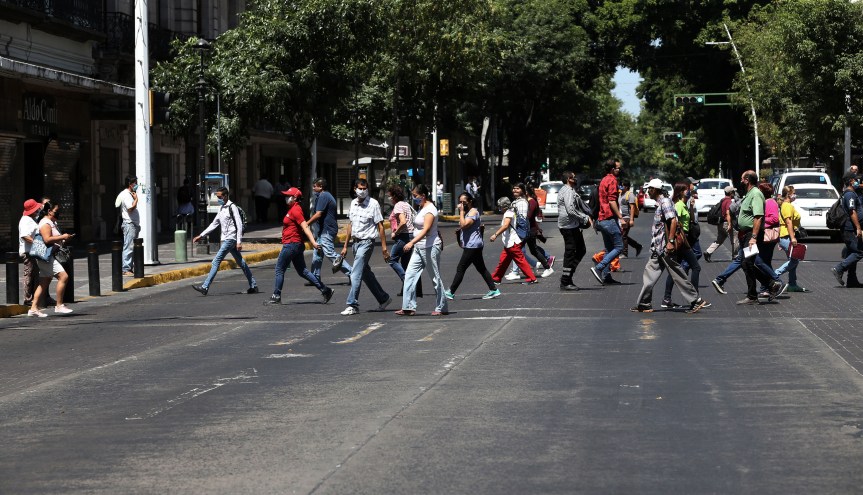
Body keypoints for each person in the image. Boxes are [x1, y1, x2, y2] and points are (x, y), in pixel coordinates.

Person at [630, 179, 708, 314]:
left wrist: (671, 241)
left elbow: (673, 221)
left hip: (665, 247)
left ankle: (696, 300)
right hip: (658, 248)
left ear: (655, 190)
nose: (648, 191)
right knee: (649, 274)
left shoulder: (665, 202)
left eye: (650, 189)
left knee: (677, 273)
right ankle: (644, 303)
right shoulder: (661, 203)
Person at [264, 187, 334, 305]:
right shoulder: (292, 209)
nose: (286, 197)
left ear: (295, 198)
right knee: (302, 271)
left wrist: (313, 242)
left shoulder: (296, 210)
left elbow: (305, 226)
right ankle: (325, 290)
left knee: (279, 269)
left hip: (291, 244)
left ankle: (276, 296)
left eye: (288, 195)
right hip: (295, 244)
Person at [191, 187, 259, 296]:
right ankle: (253, 285)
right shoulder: (222, 208)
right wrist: (201, 235)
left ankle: (205, 286)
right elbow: (214, 224)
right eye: (217, 197)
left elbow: (239, 224)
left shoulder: (233, 207)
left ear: (226, 196)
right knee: (241, 263)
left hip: (230, 239)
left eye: (220, 197)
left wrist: (239, 241)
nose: (218, 199)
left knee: (216, 261)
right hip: (226, 239)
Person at [340, 179, 392, 316]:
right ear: (355, 189)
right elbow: (350, 225)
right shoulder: (353, 203)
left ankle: (352, 304)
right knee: (365, 274)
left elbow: (380, 226)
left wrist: (384, 248)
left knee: (355, 273)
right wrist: (345, 246)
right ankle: (383, 298)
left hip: (367, 243)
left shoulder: (373, 204)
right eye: (360, 188)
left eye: (365, 188)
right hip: (355, 243)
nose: (362, 191)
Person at [396, 184, 448, 316]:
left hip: (430, 247)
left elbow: (426, 230)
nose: (414, 198)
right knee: (409, 275)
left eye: (415, 196)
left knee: (435, 277)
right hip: (419, 248)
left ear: (423, 196)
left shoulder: (430, 210)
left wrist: (411, 242)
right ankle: (408, 306)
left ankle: (442, 307)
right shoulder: (421, 207)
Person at [736, 170, 784, 305]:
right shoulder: (750, 193)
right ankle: (771, 284)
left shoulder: (756, 194)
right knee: (747, 263)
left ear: (747, 180)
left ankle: (753, 294)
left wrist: (753, 237)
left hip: (752, 235)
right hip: (746, 234)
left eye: (741, 179)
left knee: (747, 263)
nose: (740, 181)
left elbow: (758, 217)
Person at [444, 192, 500, 300]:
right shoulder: (467, 212)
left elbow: (464, 225)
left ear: (470, 201)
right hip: (473, 244)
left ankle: (451, 291)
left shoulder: (473, 212)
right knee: (481, 268)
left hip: (472, 246)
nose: (461, 204)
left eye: (463, 202)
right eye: (460, 202)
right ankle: (493, 289)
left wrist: (460, 212)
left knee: (461, 268)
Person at [660, 183, 703, 309]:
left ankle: (667, 298)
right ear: (680, 192)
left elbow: (690, 221)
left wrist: (691, 207)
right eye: (685, 190)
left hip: (685, 238)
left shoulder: (684, 204)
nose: (688, 191)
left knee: (675, 270)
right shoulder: (678, 205)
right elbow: (674, 222)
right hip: (681, 239)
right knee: (696, 267)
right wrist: (673, 240)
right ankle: (695, 299)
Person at [29, 201, 75, 316]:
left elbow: (53, 238)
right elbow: (47, 239)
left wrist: (64, 239)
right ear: (49, 211)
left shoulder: (51, 222)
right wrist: (63, 236)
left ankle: (33, 308)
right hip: (46, 256)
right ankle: (59, 305)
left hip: (47, 256)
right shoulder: (45, 223)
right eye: (56, 211)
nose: (58, 213)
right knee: (63, 276)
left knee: (44, 282)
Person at [505, 183, 554, 279]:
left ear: (524, 191)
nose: (515, 190)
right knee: (532, 250)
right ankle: (545, 267)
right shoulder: (521, 201)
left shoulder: (528, 202)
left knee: (518, 250)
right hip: (526, 230)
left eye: (517, 189)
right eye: (514, 188)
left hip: (527, 231)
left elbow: (527, 217)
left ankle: (518, 272)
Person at [309, 178, 351, 282]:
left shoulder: (324, 196)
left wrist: (306, 223)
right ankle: (315, 278)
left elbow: (318, 214)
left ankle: (351, 273)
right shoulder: (323, 196)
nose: (313, 188)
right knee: (317, 254)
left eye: (315, 186)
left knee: (329, 253)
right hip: (323, 230)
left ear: (321, 187)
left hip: (327, 230)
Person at [489, 196, 537, 285]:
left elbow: (505, 226)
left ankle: (531, 278)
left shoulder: (508, 213)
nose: (499, 209)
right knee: (503, 261)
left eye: (500, 207)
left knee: (520, 260)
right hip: (509, 243)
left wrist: (495, 235)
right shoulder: (510, 212)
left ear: (504, 206)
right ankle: (496, 278)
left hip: (512, 242)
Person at [590, 159, 623, 285]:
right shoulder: (613, 180)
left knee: (609, 249)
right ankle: (599, 268)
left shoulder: (603, 179)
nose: (619, 170)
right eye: (617, 168)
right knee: (619, 246)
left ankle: (606, 276)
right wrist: (620, 216)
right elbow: (611, 201)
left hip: (601, 219)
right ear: (611, 169)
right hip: (609, 219)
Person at [557, 171, 592, 290]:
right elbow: (570, 210)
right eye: (573, 177)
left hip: (572, 226)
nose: (575, 178)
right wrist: (585, 218)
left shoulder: (570, 190)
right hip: (568, 227)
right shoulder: (567, 191)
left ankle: (568, 276)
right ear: (568, 179)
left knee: (581, 250)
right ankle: (565, 281)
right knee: (570, 253)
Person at [386, 184, 422, 298]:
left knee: (392, 260)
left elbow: (402, 222)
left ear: (394, 196)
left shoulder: (398, 206)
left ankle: (408, 282)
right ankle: (408, 289)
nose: (389, 198)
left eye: (390, 196)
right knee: (406, 264)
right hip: (411, 235)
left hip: (403, 236)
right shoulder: (406, 204)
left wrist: (395, 233)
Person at [831, 172, 863, 287]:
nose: (857, 182)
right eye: (855, 180)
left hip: (850, 228)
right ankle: (839, 269)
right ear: (851, 181)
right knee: (859, 251)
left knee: (852, 251)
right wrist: (858, 227)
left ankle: (852, 279)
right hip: (850, 229)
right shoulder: (850, 195)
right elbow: (852, 211)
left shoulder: (850, 193)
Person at [775, 186, 807, 292]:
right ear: (789, 194)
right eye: (794, 193)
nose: (795, 195)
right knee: (794, 260)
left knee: (792, 259)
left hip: (785, 235)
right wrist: (792, 237)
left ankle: (792, 284)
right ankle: (774, 275)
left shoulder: (787, 205)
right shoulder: (787, 206)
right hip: (787, 236)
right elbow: (788, 222)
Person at [18, 199, 42, 307]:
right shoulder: (26, 220)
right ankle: (27, 299)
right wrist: (37, 243)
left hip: (31, 251)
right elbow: (24, 236)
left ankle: (34, 296)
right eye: (36, 209)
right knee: (29, 274)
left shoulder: (30, 219)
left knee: (34, 274)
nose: (37, 211)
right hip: (28, 251)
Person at [704, 186, 736, 262]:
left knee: (719, 240)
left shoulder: (722, 200)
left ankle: (708, 252)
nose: (734, 193)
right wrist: (729, 224)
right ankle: (735, 256)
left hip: (720, 224)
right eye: (733, 192)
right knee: (734, 239)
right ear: (730, 193)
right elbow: (727, 213)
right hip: (725, 223)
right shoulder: (728, 201)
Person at [116, 175, 140, 277]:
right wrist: (136, 199)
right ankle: (126, 268)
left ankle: (129, 267)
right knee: (128, 246)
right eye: (135, 183)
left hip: (133, 224)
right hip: (129, 224)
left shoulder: (130, 194)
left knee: (131, 246)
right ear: (131, 184)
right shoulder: (126, 194)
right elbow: (130, 208)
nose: (136, 185)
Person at [618, 179, 643, 258]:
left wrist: (631, 219)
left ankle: (625, 253)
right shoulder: (621, 194)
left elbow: (632, 208)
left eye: (622, 185)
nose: (621, 187)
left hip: (627, 217)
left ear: (627, 186)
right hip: (621, 217)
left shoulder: (630, 195)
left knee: (623, 235)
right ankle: (637, 246)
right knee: (622, 235)